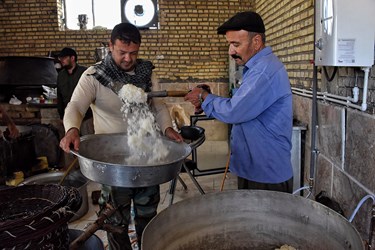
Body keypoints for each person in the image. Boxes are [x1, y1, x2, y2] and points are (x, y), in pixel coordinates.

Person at [59, 23, 183, 250]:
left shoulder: (145, 72)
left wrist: (167, 128)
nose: (128, 59)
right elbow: (76, 105)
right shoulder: (95, 75)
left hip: (146, 156)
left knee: (148, 213)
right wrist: (72, 129)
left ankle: (148, 243)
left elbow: (158, 105)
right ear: (110, 46)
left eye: (133, 53)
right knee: (115, 219)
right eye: (122, 52)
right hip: (113, 161)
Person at [185, 11, 294, 193]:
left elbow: (234, 111)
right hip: (254, 170)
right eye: (229, 44)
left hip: (266, 174)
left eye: (236, 44)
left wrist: (204, 97)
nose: (231, 51)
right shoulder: (256, 68)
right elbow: (243, 104)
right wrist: (208, 98)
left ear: (256, 42)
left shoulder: (263, 72)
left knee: (263, 222)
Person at [57, 47, 94, 135]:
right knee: (72, 145)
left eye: (64, 58)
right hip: (69, 119)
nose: (62, 60)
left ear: (72, 58)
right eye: (60, 58)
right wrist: (62, 116)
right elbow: (59, 96)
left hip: (87, 118)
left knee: (87, 144)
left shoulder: (85, 73)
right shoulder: (60, 76)